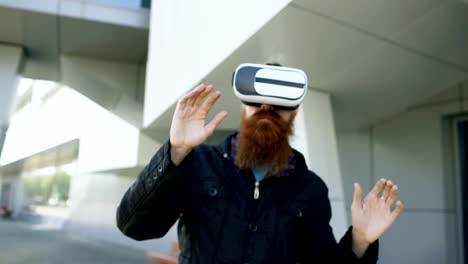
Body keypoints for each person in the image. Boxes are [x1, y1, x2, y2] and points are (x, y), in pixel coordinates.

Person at [116, 64, 403, 264]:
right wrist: (175, 152)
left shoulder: (310, 189)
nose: (267, 109)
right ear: (244, 106)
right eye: (257, 101)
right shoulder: (198, 164)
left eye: (279, 104)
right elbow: (134, 226)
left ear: (295, 113)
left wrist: (360, 242)